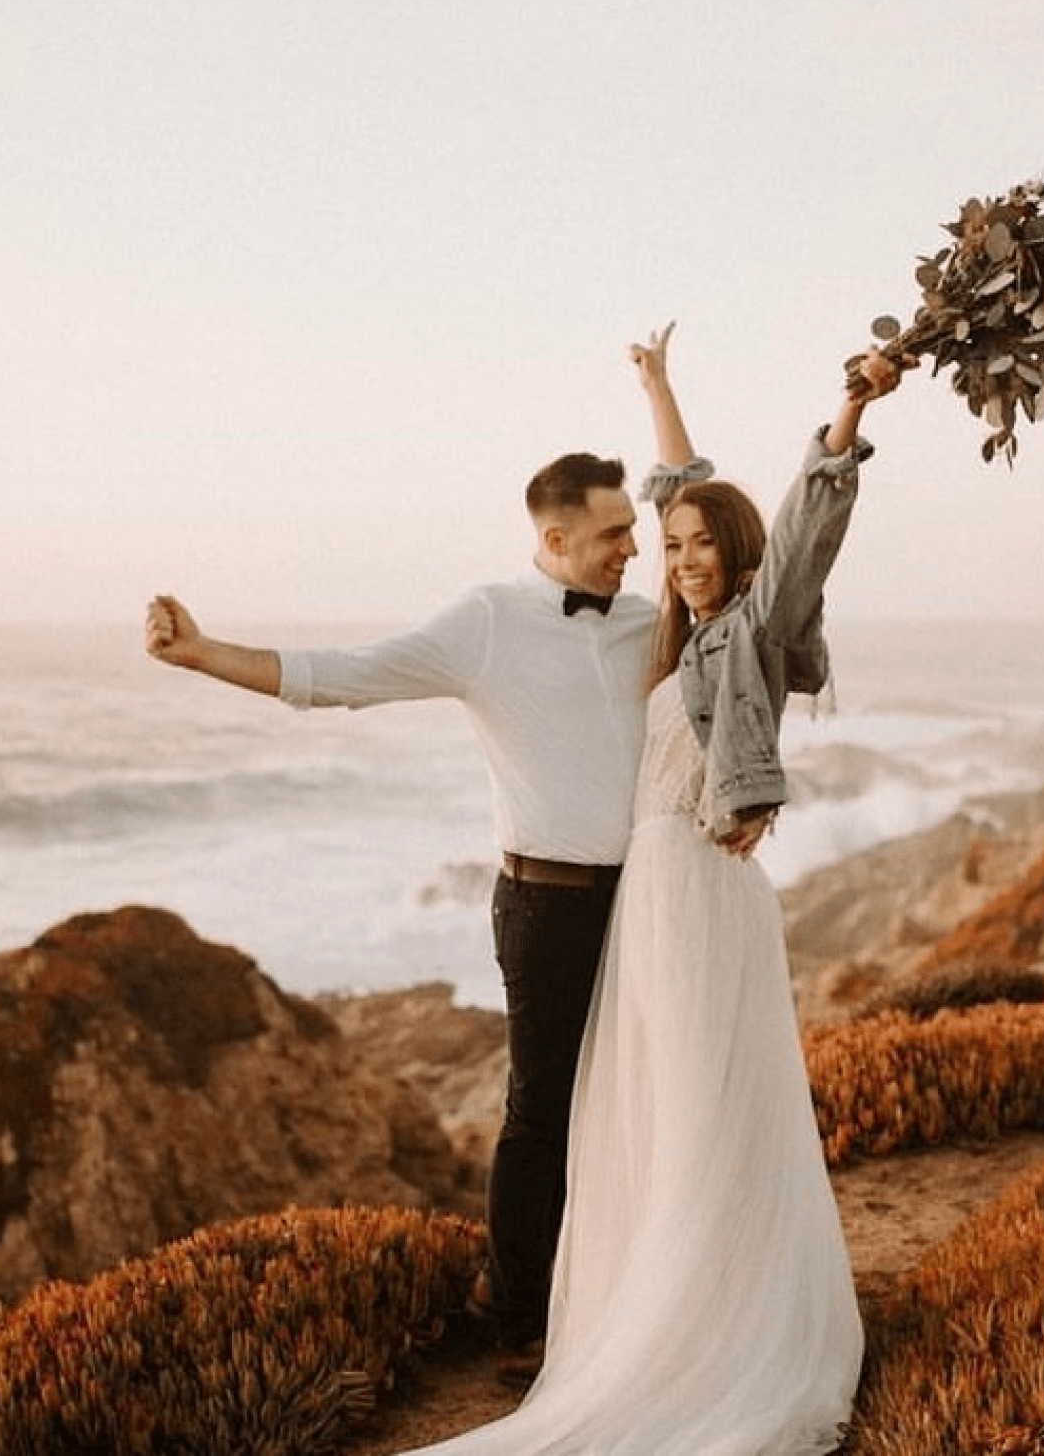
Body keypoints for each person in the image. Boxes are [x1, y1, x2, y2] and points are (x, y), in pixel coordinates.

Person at [404, 329, 900, 1456]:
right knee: (645, 1109)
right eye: (664, 542)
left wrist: (847, 418)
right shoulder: (683, 628)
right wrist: (658, 387)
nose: (677, 555)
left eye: (695, 542)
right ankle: (642, 1306)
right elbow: (679, 483)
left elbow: (808, 535)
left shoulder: (755, 626)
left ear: (734, 549)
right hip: (649, 900)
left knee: (694, 1105)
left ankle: (703, 1330)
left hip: (693, 894)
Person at [144, 418, 712, 1364]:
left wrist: (659, 391)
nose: (635, 547)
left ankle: (632, 1290)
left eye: (632, 530)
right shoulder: (485, 622)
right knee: (542, 1112)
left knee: (645, 1096)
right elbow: (349, 677)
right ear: (554, 539)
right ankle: (518, 1313)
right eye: (616, 533)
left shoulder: (645, 618)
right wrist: (204, 654)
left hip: (652, 894)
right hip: (548, 904)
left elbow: (702, 510)